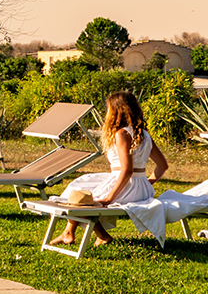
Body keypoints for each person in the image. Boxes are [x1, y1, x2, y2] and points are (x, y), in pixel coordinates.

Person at [48, 90, 168, 247]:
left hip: (126, 185)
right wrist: (146, 182)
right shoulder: (144, 134)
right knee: (81, 186)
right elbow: (163, 166)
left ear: (115, 112)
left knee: (82, 199)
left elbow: (127, 170)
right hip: (140, 188)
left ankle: (101, 235)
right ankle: (69, 232)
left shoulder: (122, 134)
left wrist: (110, 198)